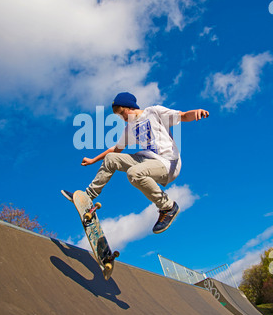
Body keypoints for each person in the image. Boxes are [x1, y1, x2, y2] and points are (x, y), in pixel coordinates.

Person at [62, 92, 209, 234]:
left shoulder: (154, 112)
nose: (121, 118)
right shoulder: (129, 129)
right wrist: (93, 160)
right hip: (148, 160)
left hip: (169, 163)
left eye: (121, 114)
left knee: (134, 173)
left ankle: (168, 207)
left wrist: (195, 112)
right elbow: (116, 149)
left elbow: (182, 116)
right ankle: (88, 196)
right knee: (111, 158)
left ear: (130, 107)